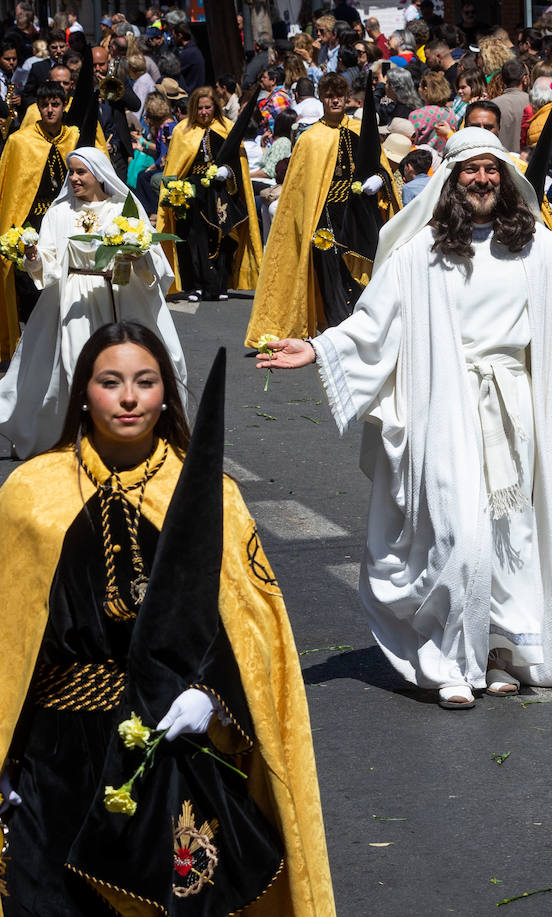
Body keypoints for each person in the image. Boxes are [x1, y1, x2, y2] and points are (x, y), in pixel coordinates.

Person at [256, 127, 552, 707]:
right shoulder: (419, 253)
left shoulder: (537, 248)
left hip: (515, 408)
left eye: (492, 169)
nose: (483, 179)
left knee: (512, 533)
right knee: (455, 532)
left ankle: (501, 650)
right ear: (450, 178)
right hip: (442, 406)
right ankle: (448, 660)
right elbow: (373, 324)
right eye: (471, 169)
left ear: (507, 177)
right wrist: (318, 348)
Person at [0, 323, 334, 914]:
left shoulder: (207, 494)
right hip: (55, 759)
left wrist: (211, 694)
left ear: (165, 394)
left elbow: (251, 629)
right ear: (83, 393)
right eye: (110, 382)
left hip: (164, 747)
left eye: (144, 382)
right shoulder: (31, 493)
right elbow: (8, 637)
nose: (128, 398)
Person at [0, 147, 187, 459]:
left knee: (131, 365)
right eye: (71, 172)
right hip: (74, 301)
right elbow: (48, 261)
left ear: (99, 175)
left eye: (80, 172)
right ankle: (82, 439)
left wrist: (136, 253)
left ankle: (131, 436)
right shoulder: (60, 213)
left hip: (121, 295)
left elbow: (151, 255)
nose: (73, 179)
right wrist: (32, 258)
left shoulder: (122, 208)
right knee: (75, 367)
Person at [246, 72, 397, 342]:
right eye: (329, 96)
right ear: (322, 98)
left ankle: (364, 325)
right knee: (329, 271)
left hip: (358, 214)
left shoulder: (359, 130)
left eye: (339, 95)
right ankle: (336, 327)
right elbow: (299, 187)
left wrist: (378, 179)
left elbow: (381, 168)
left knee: (362, 268)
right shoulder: (311, 138)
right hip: (324, 215)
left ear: (346, 97)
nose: (335, 100)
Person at [157, 86, 262, 302]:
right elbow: (175, 165)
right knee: (193, 238)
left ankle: (219, 285)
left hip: (221, 191)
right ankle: (195, 285)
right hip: (192, 192)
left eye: (208, 107)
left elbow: (238, 161)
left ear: (215, 107)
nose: (204, 112)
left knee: (224, 238)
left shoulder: (227, 128)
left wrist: (228, 171)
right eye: (200, 108)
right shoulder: (182, 131)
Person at [0, 82, 75, 357]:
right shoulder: (20, 141)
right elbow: (7, 185)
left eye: (55, 104)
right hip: (31, 221)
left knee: (62, 281)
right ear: (38, 107)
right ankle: (33, 344)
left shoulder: (74, 138)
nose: (50, 110)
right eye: (44, 105)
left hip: (64, 220)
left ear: (64, 105)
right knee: (28, 281)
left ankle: (60, 345)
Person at [489, 58, 529, 153]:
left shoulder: (493, 105)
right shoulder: (533, 103)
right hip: (526, 162)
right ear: (524, 79)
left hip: (501, 161)